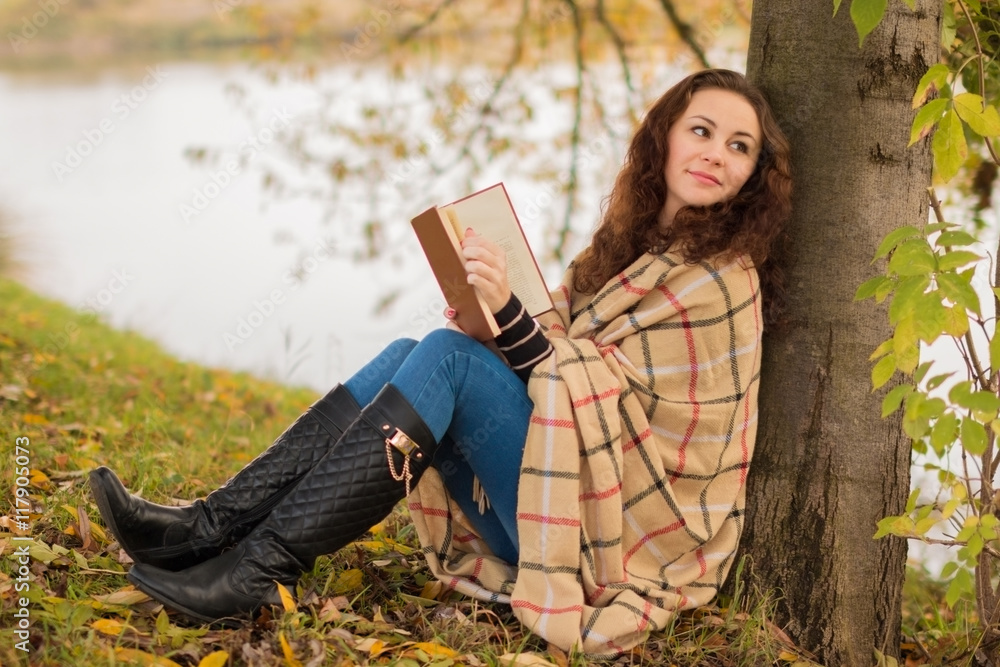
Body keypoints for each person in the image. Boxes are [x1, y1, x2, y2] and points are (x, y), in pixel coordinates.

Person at [89, 68, 791, 658]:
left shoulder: (720, 279)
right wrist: (490, 317)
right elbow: (560, 357)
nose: (716, 154)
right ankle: (208, 527)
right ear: (665, 135)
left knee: (448, 360)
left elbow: (601, 400)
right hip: (549, 498)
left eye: (740, 147)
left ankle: (258, 570)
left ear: (754, 174)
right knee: (414, 354)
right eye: (702, 130)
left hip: (602, 541)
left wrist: (507, 318)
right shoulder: (624, 247)